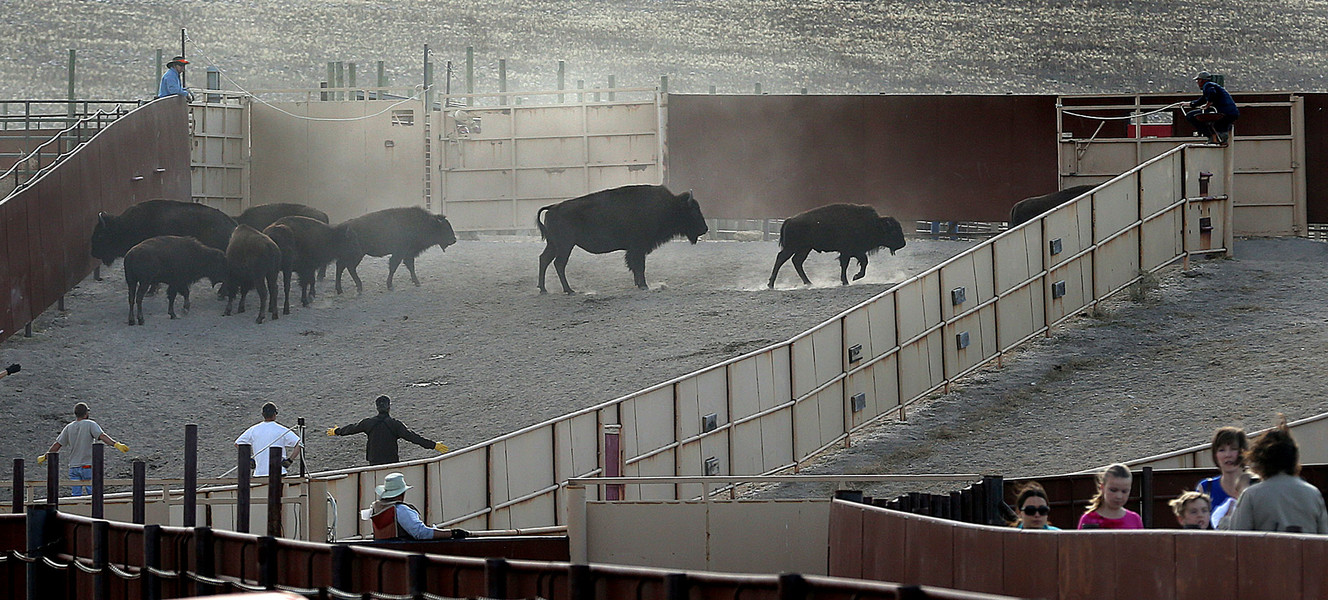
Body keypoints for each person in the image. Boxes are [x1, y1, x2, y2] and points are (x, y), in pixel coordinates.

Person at [1224, 416, 1328, 533]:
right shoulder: (1313, 494)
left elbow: (1236, 541)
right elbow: (1324, 539)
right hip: (1307, 551)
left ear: (1260, 460)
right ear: (1294, 459)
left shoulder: (1251, 495)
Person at [327, 395, 449, 466]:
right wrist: (434, 445)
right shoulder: (395, 424)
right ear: (389, 407)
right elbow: (413, 437)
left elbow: (351, 428)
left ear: (377, 408)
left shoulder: (368, 423)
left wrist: (337, 431)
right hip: (391, 461)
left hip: (374, 461)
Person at [38, 402, 130, 496]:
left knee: (76, 495)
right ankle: (92, 510)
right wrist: (116, 444)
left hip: (74, 466)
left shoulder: (69, 427)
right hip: (88, 465)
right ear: (86, 413)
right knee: (93, 494)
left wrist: (45, 456)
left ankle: (77, 510)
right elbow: (102, 436)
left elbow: (57, 445)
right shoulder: (90, 424)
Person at [368, 472, 470, 540]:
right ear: (402, 493)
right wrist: (452, 533)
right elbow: (421, 533)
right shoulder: (401, 510)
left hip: (386, 551)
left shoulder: (376, 508)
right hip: (404, 551)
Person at [1196, 426, 1252, 529]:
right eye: (1221, 450)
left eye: (1233, 449)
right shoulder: (1205, 488)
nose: (1228, 455)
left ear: (1243, 452)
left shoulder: (1257, 484)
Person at [235, 402, 302, 477]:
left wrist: (249, 459)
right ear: (275, 414)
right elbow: (299, 443)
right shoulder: (281, 430)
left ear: (263, 414)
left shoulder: (253, 429)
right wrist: (290, 460)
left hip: (259, 473)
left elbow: (238, 443)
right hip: (279, 473)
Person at [1077, 463, 1144, 530]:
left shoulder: (1134, 519)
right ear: (1102, 488)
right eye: (1113, 490)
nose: (1119, 496)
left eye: (1124, 491)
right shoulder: (1088, 519)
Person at [1184, 71, 1239, 145]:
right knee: (1220, 126)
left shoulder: (1208, 85)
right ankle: (1221, 136)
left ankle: (1212, 136)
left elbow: (1212, 94)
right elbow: (1201, 100)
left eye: (1198, 80)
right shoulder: (1214, 86)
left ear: (1201, 80)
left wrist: (1207, 105)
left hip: (1223, 112)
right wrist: (1189, 104)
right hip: (1232, 113)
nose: (1197, 83)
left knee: (1191, 116)